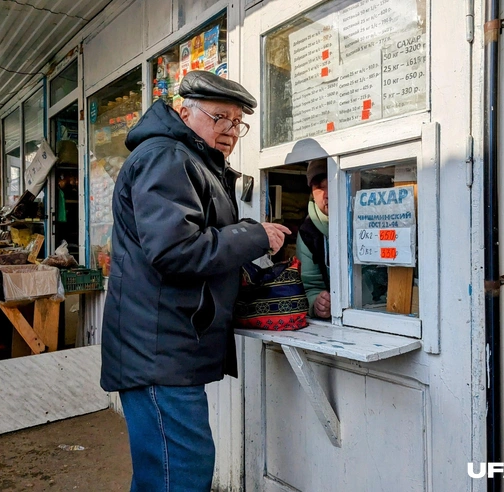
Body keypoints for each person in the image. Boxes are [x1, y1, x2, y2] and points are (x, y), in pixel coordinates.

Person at [100, 70, 290, 492]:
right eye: (218, 117)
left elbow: (192, 248)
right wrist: (254, 234)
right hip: (158, 352)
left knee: (164, 473)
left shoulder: (189, 160)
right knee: (179, 475)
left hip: (163, 350)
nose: (229, 131)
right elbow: (176, 251)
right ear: (185, 112)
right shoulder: (167, 157)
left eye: (236, 122)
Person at [296, 158, 331, 319]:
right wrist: (317, 303)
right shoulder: (308, 232)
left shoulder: (369, 219)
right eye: (320, 187)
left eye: (332, 183)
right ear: (311, 192)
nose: (327, 194)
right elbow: (310, 287)